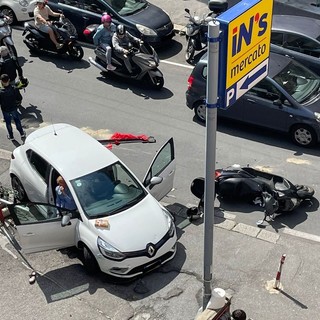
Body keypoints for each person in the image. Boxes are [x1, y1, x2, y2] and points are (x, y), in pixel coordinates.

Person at [0, 74, 25, 140]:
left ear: (1, 81)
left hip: (5, 110)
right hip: (13, 108)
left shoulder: (1, 92)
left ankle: (11, 136)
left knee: (8, 123)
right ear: (9, 80)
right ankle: (22, 133)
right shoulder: (14, 89)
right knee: (17, 120)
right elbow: (19, 98)